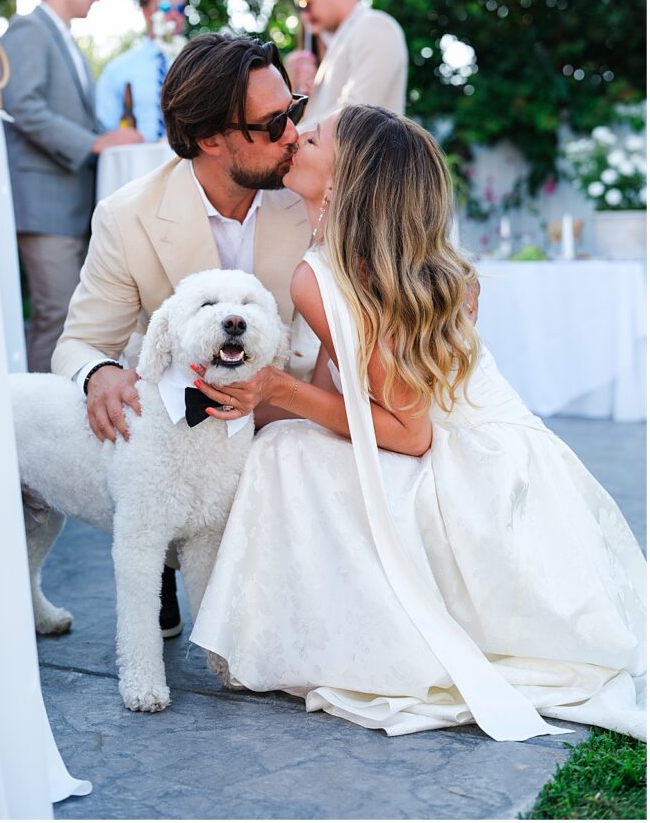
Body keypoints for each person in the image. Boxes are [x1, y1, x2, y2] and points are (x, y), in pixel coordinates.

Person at [189, 105, 646, 743]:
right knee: (289, 436)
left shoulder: (320, 276)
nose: (295, 139)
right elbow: (341, 389)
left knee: (283, 453)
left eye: (313, 137)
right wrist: (239, 394)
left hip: (470, 483)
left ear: (348, 179)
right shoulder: (376, 265)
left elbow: (409, 433)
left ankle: (316, 635)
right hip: (519, 470)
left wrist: (277, 389)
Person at [51, 33, 314, 637]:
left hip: (283, 404)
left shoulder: (308, 192)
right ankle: (166, 551)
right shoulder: (128, 215)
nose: (294, 134)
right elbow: (79, 341)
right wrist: (101, 373)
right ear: (209, 139)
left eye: (294, 110)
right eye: (273, 124)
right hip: (183, 419)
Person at [1, 0, 142, 372]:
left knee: (74, 320)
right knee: (55, 317)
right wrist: (94, 143)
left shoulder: (67, 42)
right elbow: (20, 103)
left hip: (72, 205)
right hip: (45, 206)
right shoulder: (29, 29)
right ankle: (34, 429)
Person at [283, 0, 408, 129]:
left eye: (305, 3)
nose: (304, 16)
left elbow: (355, 117)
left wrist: (286, 138)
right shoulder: (338, 43)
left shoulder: (375, 26)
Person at [95, 0, 188, 141]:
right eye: (165, 7)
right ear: (146, 11)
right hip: (138, 162)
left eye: (180, 8)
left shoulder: (196, 68)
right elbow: (103, 131)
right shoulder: (118, 70)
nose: (174, 15)